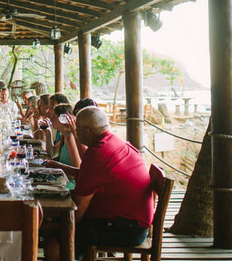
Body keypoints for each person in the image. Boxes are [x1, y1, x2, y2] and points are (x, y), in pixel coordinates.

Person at [44, 107, 154, 260]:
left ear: (87, 131)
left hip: (126, 229)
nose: (76, 132)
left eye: (78, 129)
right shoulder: (114, 142)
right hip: (134, 221)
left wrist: (56, 224)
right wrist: (59, 167)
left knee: (54, 243)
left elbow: (78, 210)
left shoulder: (98, 154)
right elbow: (89, 175)